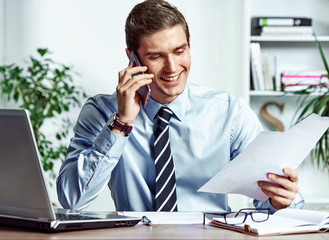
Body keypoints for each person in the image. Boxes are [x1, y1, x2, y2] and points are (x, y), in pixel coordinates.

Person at [57, 0, 304, 212]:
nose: (172, 68)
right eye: (156, 56)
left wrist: (281, 199)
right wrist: (121, 123)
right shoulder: (101, 112)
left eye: (179, 51)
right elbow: (72, 201)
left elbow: (270, 201)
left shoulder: (229, 112)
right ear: (132, 58)